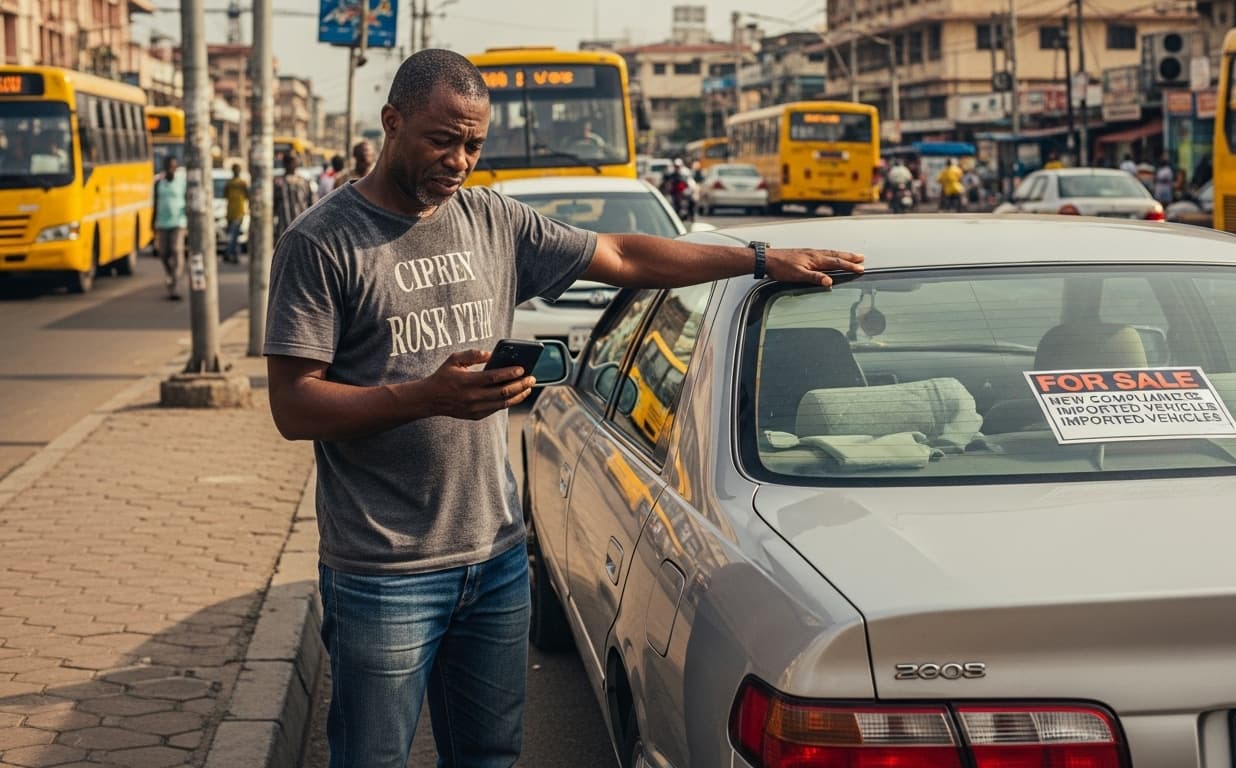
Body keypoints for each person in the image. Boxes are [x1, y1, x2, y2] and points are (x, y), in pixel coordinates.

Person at [262, 48, 861, 768]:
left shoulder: (490, 219)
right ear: (391, 122)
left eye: (474, 145)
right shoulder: (320, 242)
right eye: (441, 139)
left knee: (490, 757)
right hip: (383, 571)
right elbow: (294, 406)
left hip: (495, 558)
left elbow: (624, 256)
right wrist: (429, 396)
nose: (459, 161)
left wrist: (759, 260)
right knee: (371, 759)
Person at [152, 155, 186, 300]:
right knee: (163, 253)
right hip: (162, 223)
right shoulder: (159, 183)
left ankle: (175, 283)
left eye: (174, 166)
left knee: (176, 251)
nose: (172, 169)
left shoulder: (181, 183)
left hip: (178, 223)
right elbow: (155, 203)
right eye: (169, 166)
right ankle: (170, 273)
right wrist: (152, 222)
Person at [272, 152, 313, 242]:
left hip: (302, 228)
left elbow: (312, 204)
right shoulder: (278, 183)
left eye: (294, 162)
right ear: (285, 164)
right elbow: (273, 206)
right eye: (290, 162)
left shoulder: (304, 182)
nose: (292, 164)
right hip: (284, 228)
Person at [223, 162, 249, 264]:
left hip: (237, 213)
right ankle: (232, 254)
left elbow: (225, 195)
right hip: (233, 212)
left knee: (233, 235)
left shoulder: (238, 183)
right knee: (234, 235)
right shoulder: (237, 183)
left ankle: (230, 253)